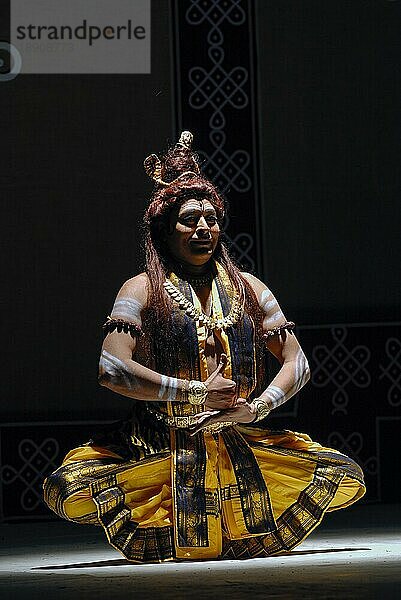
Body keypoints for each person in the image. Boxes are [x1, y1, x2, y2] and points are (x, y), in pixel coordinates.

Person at [43, 131, 365, 563]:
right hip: (160, 441)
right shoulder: (140, 289)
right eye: (189, 219)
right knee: (70, 487)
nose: (202, 229)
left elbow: (298, 362)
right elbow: (111, 367)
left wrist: (258, 407)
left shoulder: (249, 288)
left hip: (237, 434)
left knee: (341, 474)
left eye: (211, 219)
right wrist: (192, 391)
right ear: (164, 228)